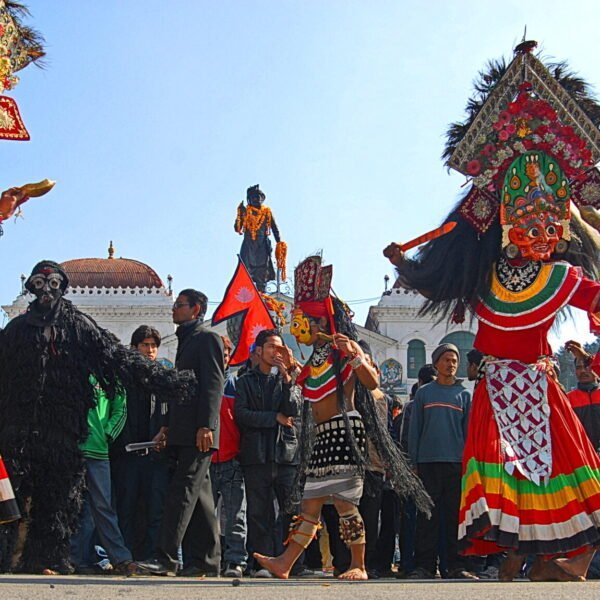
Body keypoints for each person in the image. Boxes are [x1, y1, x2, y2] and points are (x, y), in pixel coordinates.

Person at [385, 41, 600, 581]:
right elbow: (437, 277)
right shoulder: (481, 279)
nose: (535, 226)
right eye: (522, 212)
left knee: (556, 470)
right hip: (496, 388)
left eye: (548, 220)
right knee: (509, 474)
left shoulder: (562, 276)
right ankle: (516, 557)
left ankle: (567, 557)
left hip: (535, 382)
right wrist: (404, 265)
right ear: (501, 218)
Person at [0, 260, 191, 575]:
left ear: (63, 287)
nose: (46, 291)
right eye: (39, 284)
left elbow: (115, 356)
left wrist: (163, 380)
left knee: (58, 497)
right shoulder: (17, 330)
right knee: (14, 496)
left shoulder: (78, 326)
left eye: (53, 284)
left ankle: (47, 559)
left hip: (63, 430)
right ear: (30, 288)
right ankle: (9, 557)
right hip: (19, 428)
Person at [253, 255, 431, 581]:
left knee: (344, 503)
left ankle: (359, 564)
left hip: (343, 433)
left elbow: (372, 383)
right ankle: (285, 563)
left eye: (304, 319)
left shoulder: (340, 350)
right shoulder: (318, 357)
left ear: (320, 322)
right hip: (322, 436)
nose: (298, 325)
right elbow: (305, 393)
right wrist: (290, 366)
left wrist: (356, 355)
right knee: (310, 505)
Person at [138, 289, 224, 577]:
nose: (174, 309)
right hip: (182, 430)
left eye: (179, 305)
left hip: (198, 433)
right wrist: (167, 426)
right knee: (201, 499)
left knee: (181, 493)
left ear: (196, 309)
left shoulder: (207, 338)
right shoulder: (186, 342)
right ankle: (205, 562)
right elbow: (180, 390)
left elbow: (214, 385)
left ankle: (165, 558)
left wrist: (207, 426)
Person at [234, 329, 301, 577]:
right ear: (259, 351)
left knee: (290, 511)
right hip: (256, 455)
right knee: (258, 511)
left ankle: (293, 563)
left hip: (286, 454)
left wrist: (287, 379)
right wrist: (273, 418)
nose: (277, 352)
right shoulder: (245, 381)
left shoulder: (288, 380)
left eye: (281, 348)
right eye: (272, 347)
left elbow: (293, 409)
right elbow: (242, 415)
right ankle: (261, 561)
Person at [407, 344, 474, 580]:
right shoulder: (424, 393)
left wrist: (468, 465)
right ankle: (425, 566)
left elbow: (468, 434)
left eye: (454, 360)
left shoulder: (464, 395)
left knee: (455, 518)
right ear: (436, 363)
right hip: (427, 463)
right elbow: (415, 430)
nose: (451, 364)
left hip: (456, 464)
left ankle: (456, 566)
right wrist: (413, 461)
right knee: (427, 517)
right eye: (446, 359)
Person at [110, 325, 170, 560]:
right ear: (135, 348)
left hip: (156, 455)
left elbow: (169, 412)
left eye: (154, 345)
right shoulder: (123, 376)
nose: (150, 350)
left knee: (155, 509)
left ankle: (152, 557)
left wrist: (165, 433)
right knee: (127, 507)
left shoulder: (163, 377)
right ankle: (125, 557)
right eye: (145, 345)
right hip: (127, 454)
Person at [70, 370, 136, 575]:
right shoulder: (72, 372)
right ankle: (73, 558)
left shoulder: (111, 377)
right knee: (71, 506)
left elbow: (120, 409)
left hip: (98, 450)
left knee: (102, 505)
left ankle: (120, 557)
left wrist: (107, 434)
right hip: (70, 449)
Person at [210, 336, 248, 578]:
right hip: (206, 460)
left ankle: (236, 561)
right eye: (218, 352)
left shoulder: (237, 386)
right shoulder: (201, 383)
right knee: (203, 516)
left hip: (233, 459)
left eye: (226, 353)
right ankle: (206, 559)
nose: (222, 358)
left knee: (236, 515)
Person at [234, 185, 286, 291]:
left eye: (258, 197)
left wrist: (279, 243)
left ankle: (262, 296)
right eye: (254, 197)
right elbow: (237, 228)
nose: (257, 200)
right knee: (245, 272)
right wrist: (239, 215)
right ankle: (247, 296)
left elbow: (275, 228)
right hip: (249, 245)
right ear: (249, 199)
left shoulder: (267, 212)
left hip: (262, 245)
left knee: (261, 273)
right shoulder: (245, 212)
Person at [566, 344, 600, 453]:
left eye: (587, 366)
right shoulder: (568, 399)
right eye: (579, 368)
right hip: (584, 458)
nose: (583, 371)